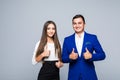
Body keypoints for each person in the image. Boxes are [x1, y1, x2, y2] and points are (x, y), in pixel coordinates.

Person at [62, 14, 106, 80]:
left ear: (84, 24)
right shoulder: (67, 40)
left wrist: (91, 56)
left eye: (79, 23)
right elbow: (63, 58)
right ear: (72, 25)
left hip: (89, 75)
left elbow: (102, 55)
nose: (77, 25)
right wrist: (69, 57)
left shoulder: (92, 38)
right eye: (74, 23)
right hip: (73, 76)